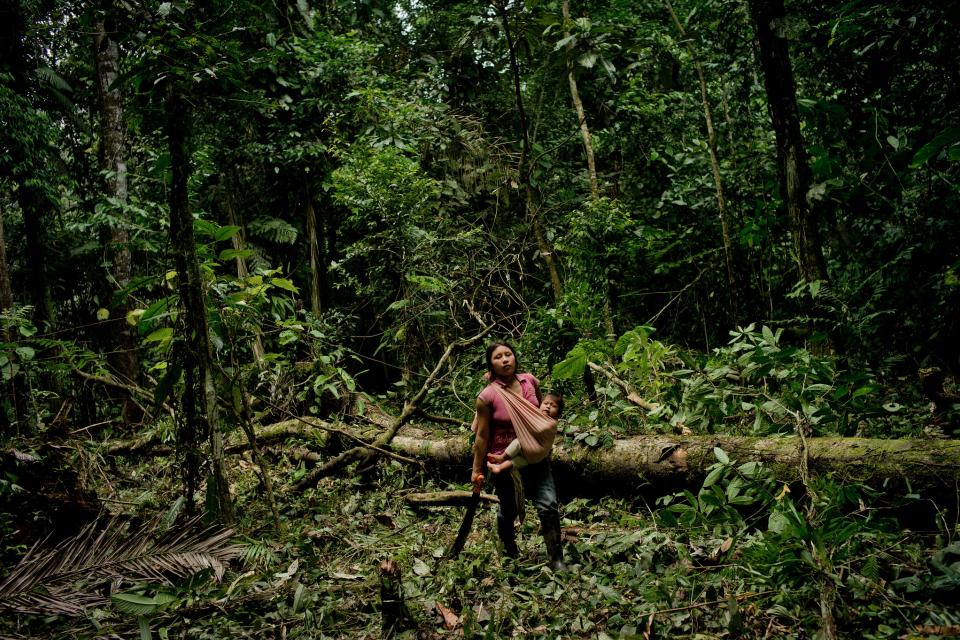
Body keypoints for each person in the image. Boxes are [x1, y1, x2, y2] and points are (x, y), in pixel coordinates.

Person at [471, 342, 566, 570]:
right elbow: (482, 436)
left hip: (534, 455)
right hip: (502, 458)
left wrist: (545, 443)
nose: (505, 360)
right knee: (509, 510)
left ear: (515, 358)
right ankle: (510, 553)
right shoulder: (487, 396)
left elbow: (541, 416)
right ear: (491, 364)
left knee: (548, 505)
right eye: (498, 357)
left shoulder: (530, 381)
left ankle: (557, 560)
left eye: (508, 354)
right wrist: (476, 470)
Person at [486, 393, 564, 474]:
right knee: (519, 460)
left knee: (519, 441)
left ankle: (502, 457)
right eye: (545, 403)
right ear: (540, 405)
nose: (548, 406)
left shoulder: (552, 423)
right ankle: (500, 468)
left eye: (553, 406)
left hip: (534, 450)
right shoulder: (537, 415)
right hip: (536, 458)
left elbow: (538, 429)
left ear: (558, 414)